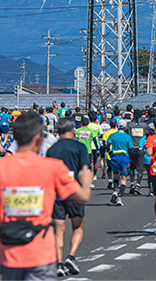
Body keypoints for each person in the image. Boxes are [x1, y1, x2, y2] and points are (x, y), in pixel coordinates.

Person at [0, 112, 92, 281]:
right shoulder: (53, 168)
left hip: (9, 251)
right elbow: (82, 198)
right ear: (38, 139)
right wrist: (85, 180)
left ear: (15, 138)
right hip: (41, 251)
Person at [46, 118, 90, 276]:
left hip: (56, 194)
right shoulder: (80, 147)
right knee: (78, 227)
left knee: (58, 231)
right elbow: (84, 169)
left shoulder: (51, 150)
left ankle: (58, 264)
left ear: (58, 131)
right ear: (73, 131)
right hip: (74, 193)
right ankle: (71, 256)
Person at [106, 120, 133, 206]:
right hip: (124, 157)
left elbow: (107, 145)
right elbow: (131, 149)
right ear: (125, 127)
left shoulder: (113, 135)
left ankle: (115, 190)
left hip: (114, 157)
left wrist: (110, 152)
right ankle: (120, 197)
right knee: (124, 178)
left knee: (116, 176)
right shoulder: (127, 137)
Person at [126, 116, 147, 194]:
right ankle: (138, 185)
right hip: (140, 149)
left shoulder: (129, 125)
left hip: (131, 148)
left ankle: (132, 183)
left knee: (132, 167)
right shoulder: (144, 125)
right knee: (140, 168)